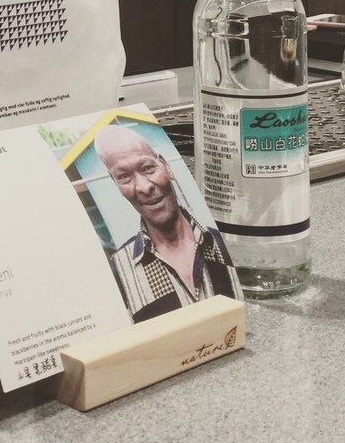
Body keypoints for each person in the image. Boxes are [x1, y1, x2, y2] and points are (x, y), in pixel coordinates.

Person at [93, 124, 241, 321]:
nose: (144, 187)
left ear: (166, 166)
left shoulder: (227, 245)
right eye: (124, 177)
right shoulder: (118, 274)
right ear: (116, 185)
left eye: (148, 168)